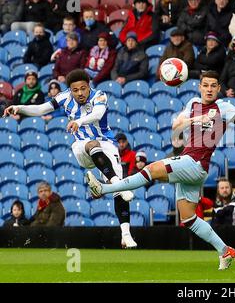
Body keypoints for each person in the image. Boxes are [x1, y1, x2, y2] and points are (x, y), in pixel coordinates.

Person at [85, 70, 235, 269]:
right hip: (191, 166)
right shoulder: (193, 103)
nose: (209, 89)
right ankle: (225, 250)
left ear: (219, 88)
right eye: (205, 85)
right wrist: (196, 119)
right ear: (200, 87)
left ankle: (103, 189)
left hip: (195, 163)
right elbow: (176, 125)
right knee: (189, 218)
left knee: (153, 168)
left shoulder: (225, 108)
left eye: (213, 86)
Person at [3, 69, 138, 249]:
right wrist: (19, 107)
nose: (80, 93)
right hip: (82, 146)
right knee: (92, 146)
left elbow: (97, 114)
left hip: (107, 144)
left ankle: (126, 235)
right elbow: (41, 108)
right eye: (75, 90)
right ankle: (113, 181)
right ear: (70, 90)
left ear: (88, 86)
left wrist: (79, 122)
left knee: (120, 194)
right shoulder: (64, 97)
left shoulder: (99, 96)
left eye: (83, 89)